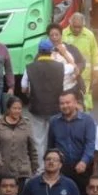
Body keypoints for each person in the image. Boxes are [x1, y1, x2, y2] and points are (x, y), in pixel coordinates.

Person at [23, 40, 69, 168]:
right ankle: (56, 166)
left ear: (38, 51)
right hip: (55, 109)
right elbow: (75, 68)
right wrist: (65, 54)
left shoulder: (30, 67)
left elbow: (23, 87)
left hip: (37, 108)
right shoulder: (61, 66)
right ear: (51, 52)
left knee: (38, 140)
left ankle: (40, 169)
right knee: (56, 139)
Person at [0, 97, 38, 186]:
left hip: (21, 169)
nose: (17, 111)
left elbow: (32, 146)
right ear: (8, 109)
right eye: (14, 108)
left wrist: (34, 166)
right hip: (4, 168)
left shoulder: (26, 124)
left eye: (19, 108)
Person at [63, 14, 98, 111]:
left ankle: (85, 117)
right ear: (70, 23)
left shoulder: (89, 35)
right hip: (68, 75)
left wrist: (96, 72)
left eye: (80, 27)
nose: (77, 29)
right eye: (75, 27)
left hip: (85, 74)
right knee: (69, 98)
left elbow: (95, 53)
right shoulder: (63, 34)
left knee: (85, 97)